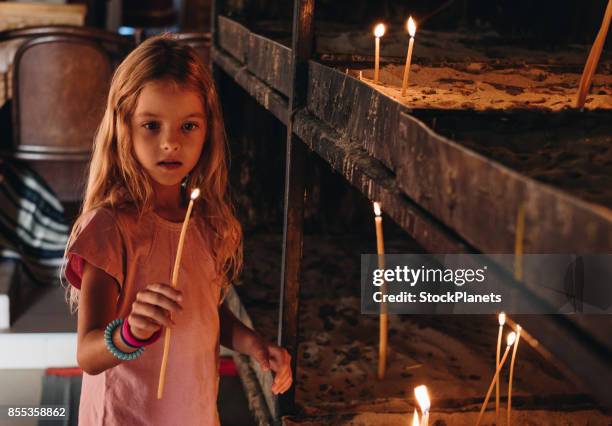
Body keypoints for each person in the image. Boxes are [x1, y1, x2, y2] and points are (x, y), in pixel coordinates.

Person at [61, 34, 292, 425]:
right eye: (151, 125)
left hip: (194, 413)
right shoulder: (109, 227)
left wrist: (252, 343)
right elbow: (87, 354)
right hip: (124, 416)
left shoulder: (208, 223)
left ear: (209, 131)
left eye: (188, 126)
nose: (170, 143)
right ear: (124, 128)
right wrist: (131, 333)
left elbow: (205, 312)